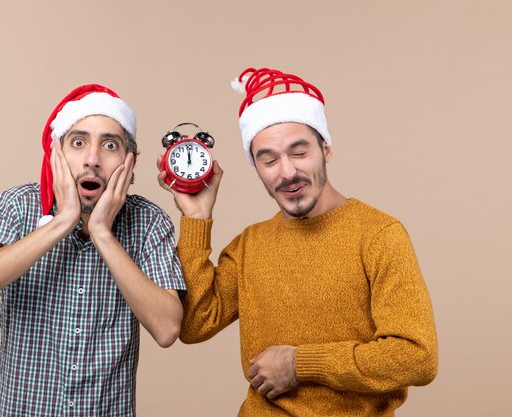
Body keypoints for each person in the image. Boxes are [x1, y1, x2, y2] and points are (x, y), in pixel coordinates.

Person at [157, 67, 438, 416]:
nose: (286, 171)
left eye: (299, 152)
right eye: (269, 159)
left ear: (326, 149)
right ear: (256, 167)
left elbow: (417, 356)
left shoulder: (379, 234)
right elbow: (195, 324)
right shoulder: (250, 246)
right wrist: (196, 218)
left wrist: (299, 363)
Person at [0, 83, 186, 417]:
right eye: (78, 143)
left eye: (110, 145)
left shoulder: (148, 222)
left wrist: (102, 233)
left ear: (129, 164)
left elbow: (167, 329)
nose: (92, 159)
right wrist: (63, 220)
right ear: (56, 155)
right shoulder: (18, 206)